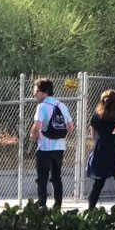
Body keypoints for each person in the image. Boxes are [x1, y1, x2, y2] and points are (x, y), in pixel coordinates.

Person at [29, 78, 75, 209]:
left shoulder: (42, 106)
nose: (34, 94)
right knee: (56, 177)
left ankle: (42, 206)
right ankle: (57, 206)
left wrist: (34, 136)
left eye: (36, 91)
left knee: (42, 179)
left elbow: (37, 126)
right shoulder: (61, 106)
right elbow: (70, 127)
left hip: (44, 148)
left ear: (44, 92)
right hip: (59, 148)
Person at [86, 88, 115, 208]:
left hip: (100, 152)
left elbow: (93, 134)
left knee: (97, 184)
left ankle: (90, 211)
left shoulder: (96, 116)